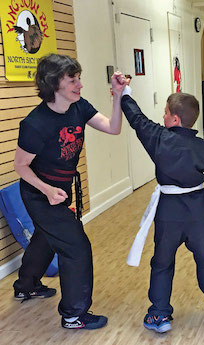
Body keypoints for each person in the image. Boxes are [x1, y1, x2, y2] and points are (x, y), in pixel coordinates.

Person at [13, 53, 126, 330]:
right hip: (39, 193)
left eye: (79, 78)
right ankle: (74, 314)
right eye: (72, 80)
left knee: (46, 237)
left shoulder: (79, 107)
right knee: (76, 246)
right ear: (54, 84)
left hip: (60, 189)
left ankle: (25, 286)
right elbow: (21, 166)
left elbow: (113, 128)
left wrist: (117, 96)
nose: (79, 85)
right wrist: (47, 190)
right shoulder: (35, 123)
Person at [120, 85, 204, 333]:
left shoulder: (159, 138)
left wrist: (125, 92)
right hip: (197, 213)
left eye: (165, 112)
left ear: (174, 118)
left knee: (162, 263)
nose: (162, 117)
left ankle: (159, 316)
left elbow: (136, 120)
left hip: (168, 213)